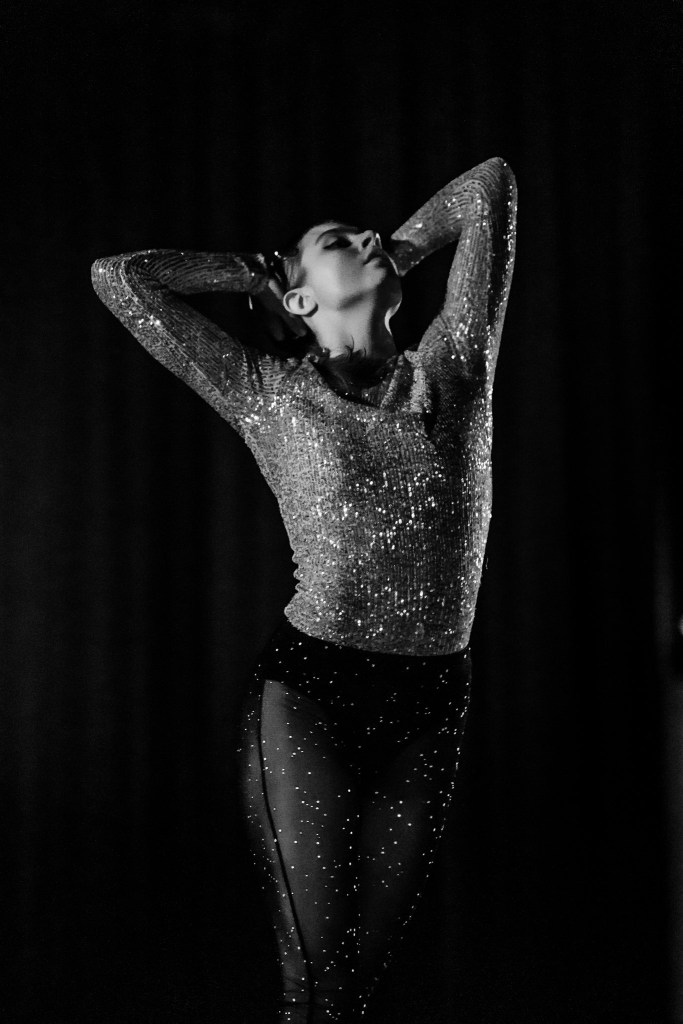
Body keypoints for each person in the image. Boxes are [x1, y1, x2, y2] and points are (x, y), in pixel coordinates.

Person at [91, 155, 518, 1023]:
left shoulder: (456, 364)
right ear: (298, 301)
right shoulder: (267, 392)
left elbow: (490, 187)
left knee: (355, 989)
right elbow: (120, 278)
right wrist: (257, 269)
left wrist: (393, 249)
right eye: (336, 240)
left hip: (432, 699)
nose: (366, 235)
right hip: (312, 693)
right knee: (314, 983)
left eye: (366, 233)